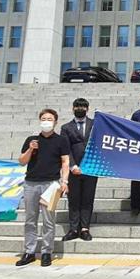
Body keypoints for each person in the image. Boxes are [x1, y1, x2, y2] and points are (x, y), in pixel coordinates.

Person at [16, 109, 70, 267]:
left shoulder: (61, 140)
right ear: (40, 121)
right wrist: (30, 149)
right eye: (44, 119)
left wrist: (64, 181)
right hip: (31, 183)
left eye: (50, 119)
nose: (46, 121)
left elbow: (65, 161)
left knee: (49, 219)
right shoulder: (31, 139)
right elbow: (22, 161)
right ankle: (29, 252)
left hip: (52, 184)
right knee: (30, 219)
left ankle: (47, 252)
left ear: (55, 122)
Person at [60, 98, 96, 242]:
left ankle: (85, 228)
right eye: (77, 106)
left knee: (88, 199)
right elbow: (65, 149)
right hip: (73, 169)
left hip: (91, 169)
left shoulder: (95, 124)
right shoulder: (66, 127)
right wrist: (73, 165)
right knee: (73, 199)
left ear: (87, 109)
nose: (79, 108)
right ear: (73, 108)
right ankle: (73, 228)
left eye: (82, 106)